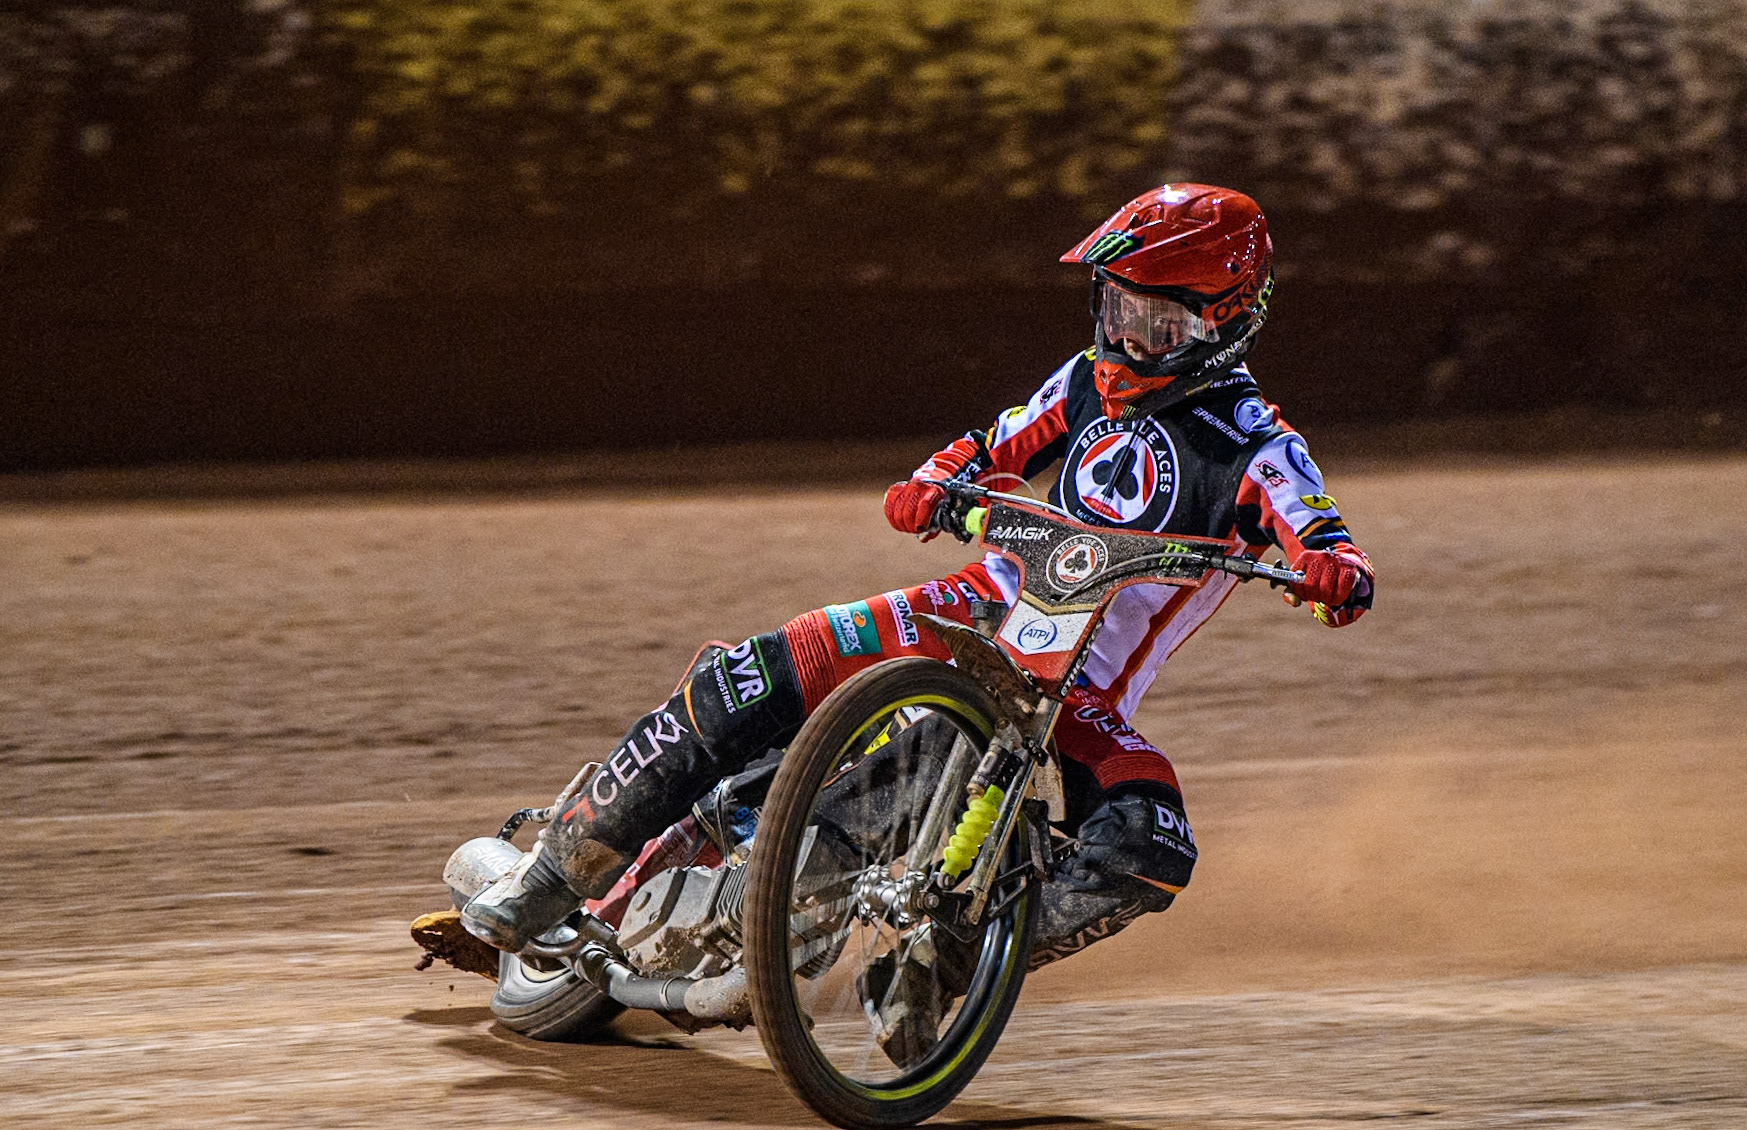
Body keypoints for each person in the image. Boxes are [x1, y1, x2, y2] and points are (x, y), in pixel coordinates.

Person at [462, 183, 1373, 1045]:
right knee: (744, 674)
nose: (1128, 338)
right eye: (1116, 309)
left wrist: (1332, 572)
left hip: (1076, 695)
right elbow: (986, 446)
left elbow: (1318, 531)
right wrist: (935, 483)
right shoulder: (1082, 382)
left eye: (1158, 320)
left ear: (1225, 322)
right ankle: (552, 877)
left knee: (1147, 844)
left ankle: (955, 953)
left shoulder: (1258, 442)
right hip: (966, 611)